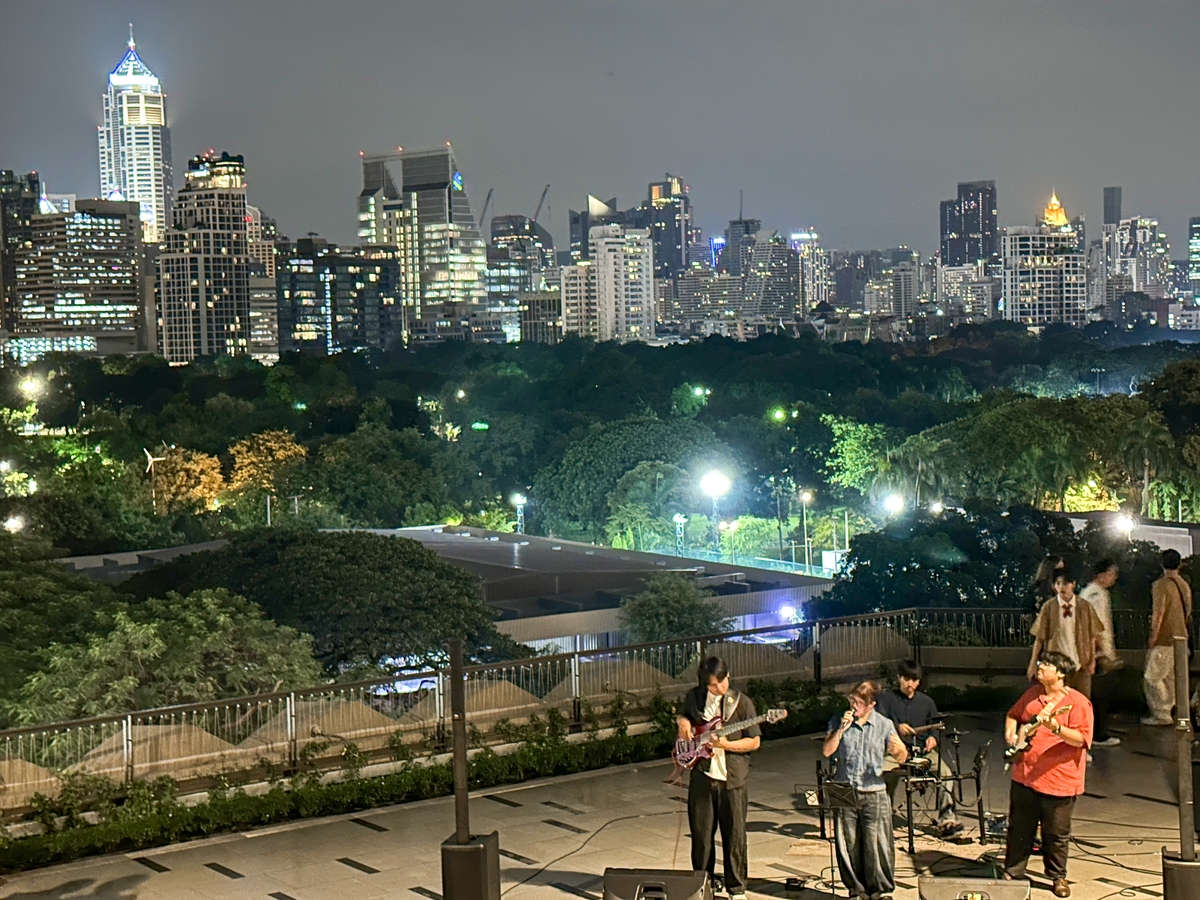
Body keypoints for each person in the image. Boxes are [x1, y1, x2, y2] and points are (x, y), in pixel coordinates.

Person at [1003, 650, 1093, 898]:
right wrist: (1011, 734)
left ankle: (1057, 876)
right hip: (1024, 776)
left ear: (1062, 673)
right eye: (1040, 663)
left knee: (1056, 834)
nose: (1040, 667)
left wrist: (1057, 727)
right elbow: (1013, 715)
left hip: (1059, 780)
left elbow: (1082, 739)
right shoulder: (1032, 695)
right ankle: (1012, 871)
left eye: (1047, 665)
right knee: (1019, 828)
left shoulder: (1078, 702)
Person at [677, 657, 762, 900]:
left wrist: (727, 744)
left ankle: (736, 889)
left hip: (732, 779)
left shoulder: (742, 703)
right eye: (714, 685)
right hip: (703, 775)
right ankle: (703, 885)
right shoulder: (695, 697)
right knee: (702, 836)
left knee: (734, 836)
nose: (720, 688)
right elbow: (684, 717)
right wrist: (682, 724)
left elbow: (754, 741)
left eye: (723, 682)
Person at [823, 680, 908, 900]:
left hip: (874, 790)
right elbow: (826, 751)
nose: (854, 706)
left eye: (859, 703)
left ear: (871, 705)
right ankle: (856, 889)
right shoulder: (838, 720)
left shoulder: (884, 725)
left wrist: (899, 752)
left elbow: (902, 755)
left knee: (876, 843)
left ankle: (881, 890)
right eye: (852, 700)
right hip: (845, 786)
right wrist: (841, 729)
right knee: (848, 842)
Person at [876, 660, 963, 836]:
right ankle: (881, 818)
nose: (910, 684)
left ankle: (947, 819)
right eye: (906, 679)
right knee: (882, 774)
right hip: (895, 752)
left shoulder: (927, 702)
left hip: (922, 752)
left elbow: (935, 726)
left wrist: (933, 738)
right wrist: (896, 727)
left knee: (945, 773)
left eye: (914, 680)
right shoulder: (886, 699)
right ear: (899, 678)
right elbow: (878, 723)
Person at [1027, 568, 1103, 699]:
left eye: (1065, 583)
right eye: (1058, 583)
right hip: (1057, 664)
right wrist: (1033, 663)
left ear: (1073, 584)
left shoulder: (1085, 607)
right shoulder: (1049, 607)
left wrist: (1092, 661)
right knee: (1056, 700)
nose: (1062, 587)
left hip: (1081, 663)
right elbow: (1040, 638)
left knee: (1082, 700)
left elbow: (1092, 636)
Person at [1143, 549, 1193, 726]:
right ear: (1179, 564)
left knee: (1152, 677)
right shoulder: (1183, 584)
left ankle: (1161, 712)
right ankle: (1169, 708)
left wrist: (1152, 636)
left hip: (1165, 638)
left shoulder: (1160, 585)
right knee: (1171, 678)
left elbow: (1158, 613)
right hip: (1181, 637)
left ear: (1162, 564)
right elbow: (1188, 611)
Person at [1080, 559, 1121, 747]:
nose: (1114, 577)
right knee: (1100, 695)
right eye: (1111, 573)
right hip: (1096, 652)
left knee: (1099, 694)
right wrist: (1099, 651)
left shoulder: (1093, 593)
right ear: (1101, 574)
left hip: (1095, 650)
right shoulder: (1096, 595)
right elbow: (1095, 625)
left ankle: (1097, 732)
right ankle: (1098, 734)